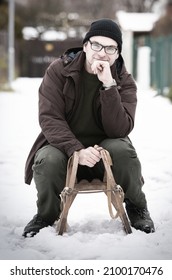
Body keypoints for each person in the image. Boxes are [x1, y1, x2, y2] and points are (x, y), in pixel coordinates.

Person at [23, 19, 155, 237]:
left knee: (124, 150)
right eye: (96, 45)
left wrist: (109, 85)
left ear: (117, 53)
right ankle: (45, 216)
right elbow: (50, 118)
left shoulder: (123, 81)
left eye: (110, 48)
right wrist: (76, 150)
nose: (102, 53)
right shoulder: (59, 71)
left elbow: (120, 130)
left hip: (106, 155)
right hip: (64, 151)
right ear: (85, 46)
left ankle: (137, 208)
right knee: (47, 159)